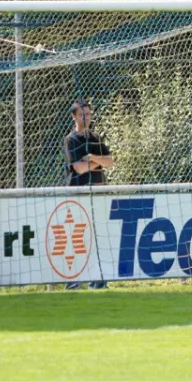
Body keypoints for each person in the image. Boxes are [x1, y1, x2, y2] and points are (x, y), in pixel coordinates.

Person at [63, 98, 113, 290]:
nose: (87, 117)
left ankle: (98, 279)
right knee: (78, 237)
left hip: (98, 193)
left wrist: (93, 158)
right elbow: (80, 168)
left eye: (89, 113)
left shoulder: (96, 139)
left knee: (99, 237)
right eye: (83, 114)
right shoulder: (71, 140)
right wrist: (97, 162)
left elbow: (110, 162)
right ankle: (73, 279)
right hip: (79, 194)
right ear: (74, 117)